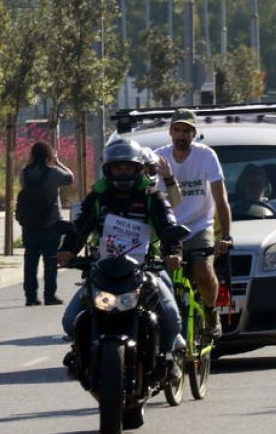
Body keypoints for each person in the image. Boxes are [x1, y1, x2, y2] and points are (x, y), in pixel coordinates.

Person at [57, 139, 184, 361]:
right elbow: (80, 227)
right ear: (108, 169)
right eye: (118, 167)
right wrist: (67, 250)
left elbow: (168, 227)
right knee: (70, 321)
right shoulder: (97, 198)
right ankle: (83, 359)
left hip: (147, 269)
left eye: (127, 166)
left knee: (172, 316)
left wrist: (173, 252)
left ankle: (167, 359)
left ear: (138, 168)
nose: (123, 171)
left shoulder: (152, 196)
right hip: (102, 270)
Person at [155, 109, 232, 335]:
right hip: (167, 232)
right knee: (158, 282)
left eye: (187, 130)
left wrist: (225, 236)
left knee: (202, 268)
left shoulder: (206, 156)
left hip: (198, 227)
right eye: (177, 130)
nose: (181, 135)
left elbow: (221, 199)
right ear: (170, 132)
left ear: (194, 133)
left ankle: (210, 312)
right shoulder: (157, 157)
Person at [17, 141, 74, 306]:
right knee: (50, 263)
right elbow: (70, 178)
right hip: (51, 224)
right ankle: (49, 295)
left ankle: (31, 296)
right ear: (48, 155)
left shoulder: (24, 173)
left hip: (29, 226)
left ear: (32, 155)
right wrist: (57, 161)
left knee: (30, 262)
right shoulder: (54, 172)